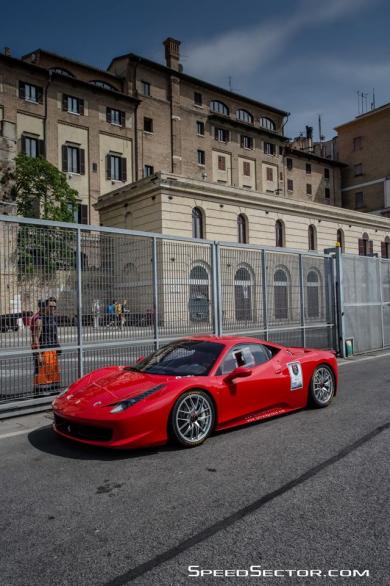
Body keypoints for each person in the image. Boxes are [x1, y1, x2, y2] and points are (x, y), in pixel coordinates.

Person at [31, 297, 61, 396]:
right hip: (43, 350)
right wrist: (38, 354)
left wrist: (58, 345)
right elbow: (35, 337)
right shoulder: (39, 319)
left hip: (53, 349)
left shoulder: (52, 317)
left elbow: (54, 333)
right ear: (45, 306)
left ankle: (53, 394)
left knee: (53, 374)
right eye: (50, 306)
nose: (53, 308)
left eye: (54, 307)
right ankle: (40, 396)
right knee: (42, 375)